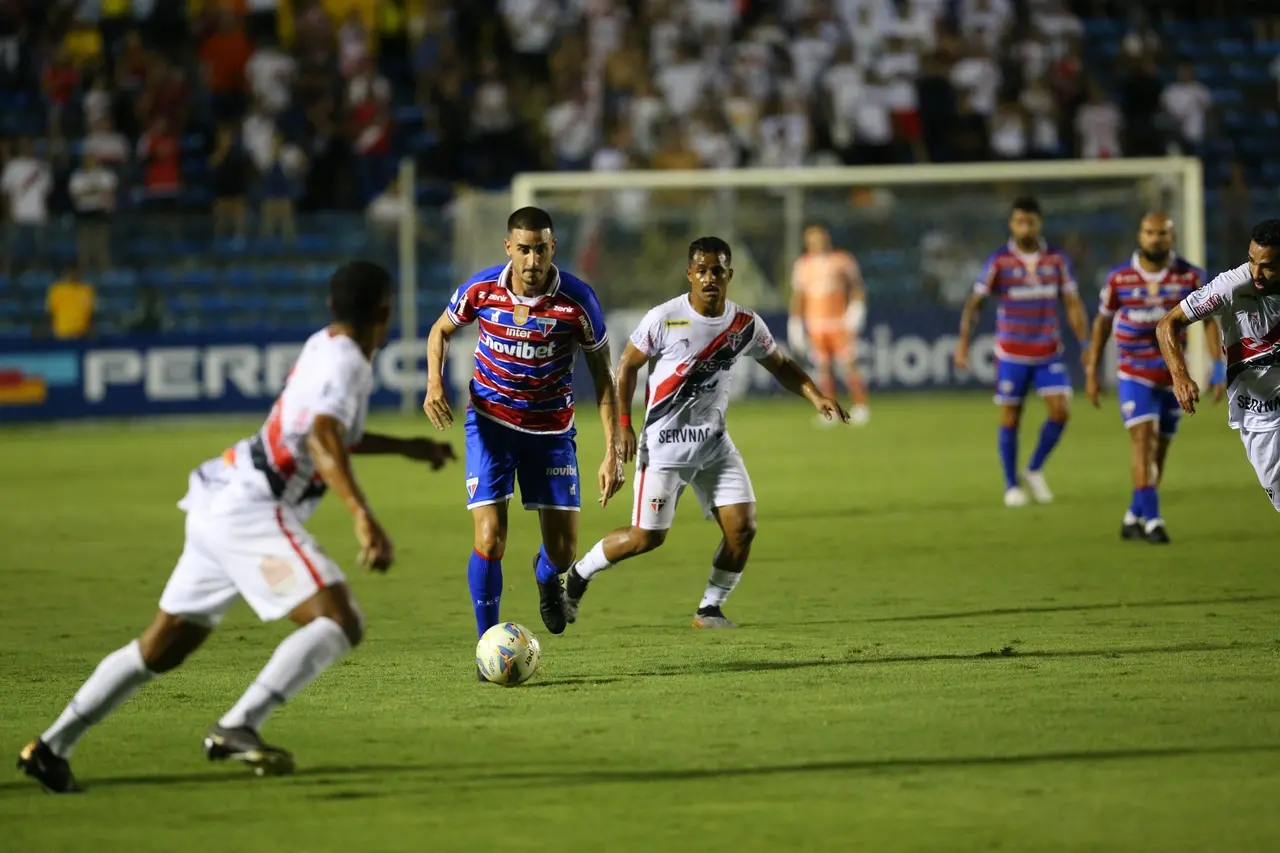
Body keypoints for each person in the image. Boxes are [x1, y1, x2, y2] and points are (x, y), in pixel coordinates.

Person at [17, 262, 454, 793]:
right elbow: (322, 434)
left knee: (162, 646)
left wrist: (407, 447)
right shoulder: (348, 364)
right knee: (339, 620)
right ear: (386, 310)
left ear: (332, 307)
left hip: (220, 497)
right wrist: (362, 515)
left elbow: (326, 430)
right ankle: (238, 724)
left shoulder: (325, 345)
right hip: (251, 508)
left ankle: (51, 746)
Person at [564, 237, 849, 629]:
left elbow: (780, 364)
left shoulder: (745, 324)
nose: (709, 278)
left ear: (729, 274)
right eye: (702, 271)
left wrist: (815, 395)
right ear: (689, 274)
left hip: (714, 445)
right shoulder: (665, 318)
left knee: (742, 528)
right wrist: (624, 427)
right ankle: (579, 573)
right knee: (646, 538)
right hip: (664, 447)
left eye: (717, 270)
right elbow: (627, 366)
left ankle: (710, 608)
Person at [422, 207, 623, 644]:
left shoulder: (578, 301)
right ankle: (487, 644)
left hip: (551, 433)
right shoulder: (481, 289)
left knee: (563, 552)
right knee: (490, 538)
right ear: (509, 248)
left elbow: (603, 374)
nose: (533, 260)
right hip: (490, 425)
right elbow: (440, 330)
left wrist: (613, 450)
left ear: (553, 248)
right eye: (524, 250)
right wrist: (434, 382)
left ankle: (546, 575)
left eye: (541, 250)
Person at [1084, 213, 1223, 543]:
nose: (1156, 238)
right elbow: (1102, 323)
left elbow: (1209, 321)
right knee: (1143, 441)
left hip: (1173, 377)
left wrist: (1218, 368)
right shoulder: (1119, 278)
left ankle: (1133, 516)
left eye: (1162, 233)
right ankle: (1154, 522)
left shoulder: (1190, 276)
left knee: (1159, 452)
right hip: (1134, 372)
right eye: (1150, 232)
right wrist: (1092, 370)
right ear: (1140, 235)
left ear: (1172, 237)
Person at [955, 196, 1089, 507]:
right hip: (1011, 354)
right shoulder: (1000, 261)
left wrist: (1085, 344)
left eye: (1029, 221)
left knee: (1061, 411)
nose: (1024, 227)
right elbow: (975, 303)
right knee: (1011, 417)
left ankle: (1034, 468)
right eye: (1018, 221)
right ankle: (1011, 485)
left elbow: (1072, 303)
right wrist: (963, 343)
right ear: (1011, 224)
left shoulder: (1056, 260)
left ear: (1039, 223)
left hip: (1047, 352)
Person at [1157, 219, 1280, 512]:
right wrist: (1180, 376)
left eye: (1267, 266)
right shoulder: (1232, 286)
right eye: (1252, 261)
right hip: (1260, 413)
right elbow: (1167, 324)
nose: (1256, 273)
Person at [787, 222, 871, 426]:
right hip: (815, 324)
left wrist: (857, 309)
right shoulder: (802, 265)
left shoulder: (842, 260)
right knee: (822, 368)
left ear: (827, 238)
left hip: (838, 323)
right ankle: (830, 411)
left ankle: (860, 406)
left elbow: (857, 287)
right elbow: (799, 296)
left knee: (849, 364)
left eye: (819, 238)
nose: (817, 242)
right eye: (812, 239)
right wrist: (795, 322)